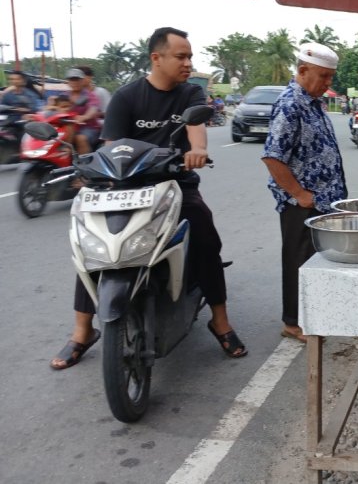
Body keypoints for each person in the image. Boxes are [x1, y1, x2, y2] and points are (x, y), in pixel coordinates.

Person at [50, 27, 247, 369]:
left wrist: (197, 151)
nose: (188, 63)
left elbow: (196, 131)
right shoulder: (127, 97)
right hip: (126, 189)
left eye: (189, 56)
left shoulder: (190, 96)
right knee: (94, 246)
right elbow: (111, 146)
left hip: (175, 184)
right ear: (156, 58)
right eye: (180, 56)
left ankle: (220, 320)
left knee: (205, 239)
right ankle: (82, 330)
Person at [262, 43, 347, 343]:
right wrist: (299, 193)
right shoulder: (290, 104)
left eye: (330, 77)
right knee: (298, 261)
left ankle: (315, 314)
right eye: (323, 76)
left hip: (324, 201)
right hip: (303, 203)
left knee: (318, 262)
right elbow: (273, 157)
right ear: (302, 71)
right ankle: (294, 323)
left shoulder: (313, 103)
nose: (328, 84)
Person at [65, 68, 102, 154]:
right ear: (68, 82)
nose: (75, 82)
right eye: (72, 80)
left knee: (80, 138)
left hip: (88, 127)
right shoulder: (64, 95)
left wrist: (85, 117)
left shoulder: (90, 95)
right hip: (68, 126)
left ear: (82, 81)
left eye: (77, 80)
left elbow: (93, 108)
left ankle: (83, 164)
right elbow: (56, 106)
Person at [0, 70, 42, 134]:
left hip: (26, 121)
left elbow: (35, 109)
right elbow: (2, 107)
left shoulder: (30, 94)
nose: (14, 81)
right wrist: (13, 108)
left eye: (17, 79)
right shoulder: (8, 95)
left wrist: (28, 113)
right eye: (12, 79)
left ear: (23, 81)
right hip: (9, 121)